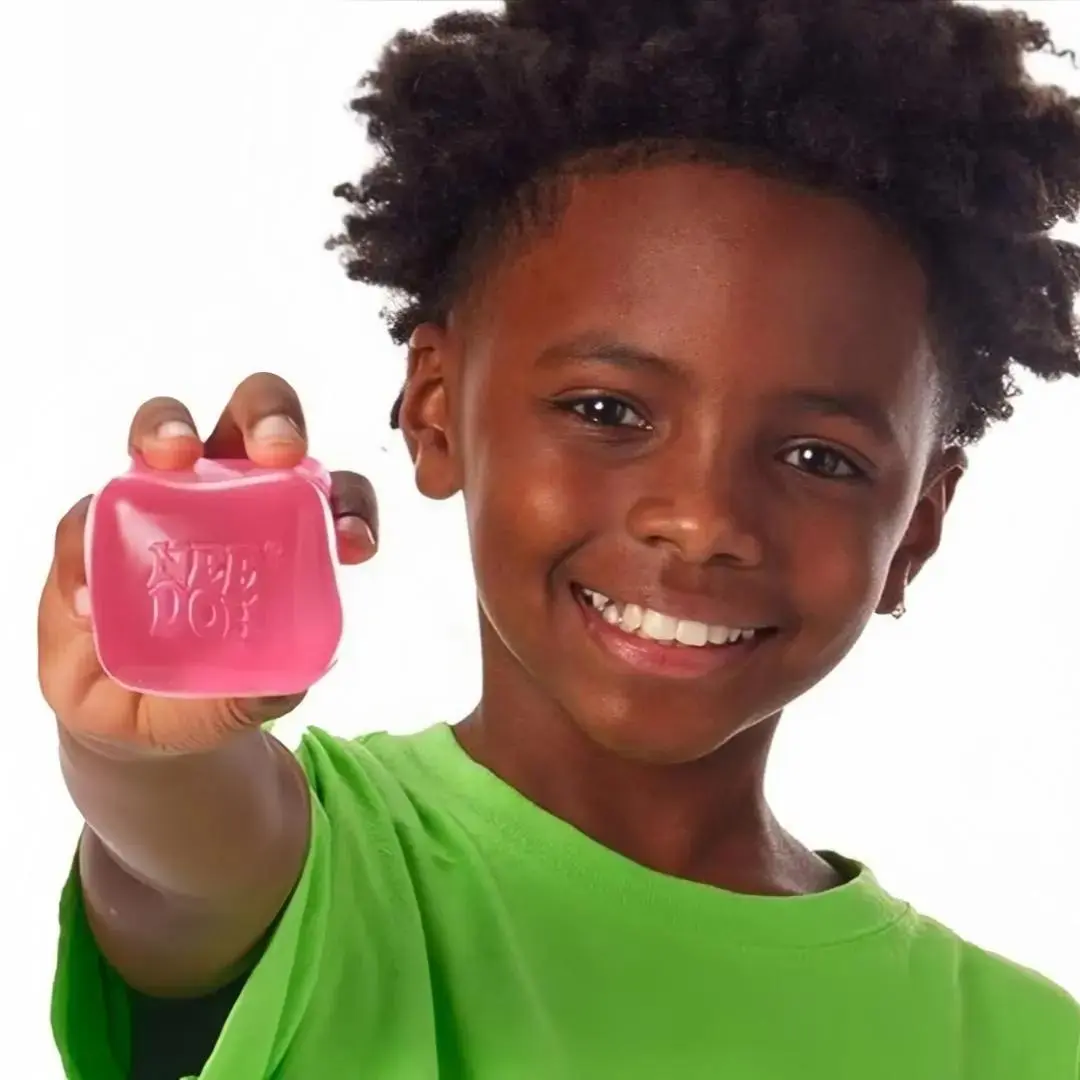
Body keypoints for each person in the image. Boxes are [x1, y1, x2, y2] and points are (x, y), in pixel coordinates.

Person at [42, 1, 1080, 1077]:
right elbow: (174, 856)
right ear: (436, 412)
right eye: (606, 411)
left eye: (819, 457)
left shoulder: (1021, 1044)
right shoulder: (314, 870)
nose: (702, 521)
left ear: (916, 529)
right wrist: (133, 750)